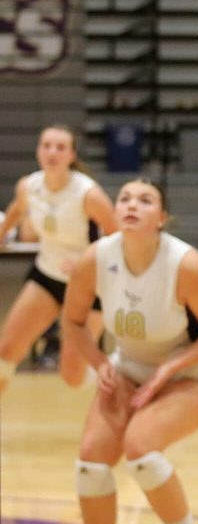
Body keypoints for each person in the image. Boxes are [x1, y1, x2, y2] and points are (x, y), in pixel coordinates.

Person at [63, 178, 198, 524]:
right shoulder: (97, 257)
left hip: (194, 374)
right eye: (124, 198)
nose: (131, 205)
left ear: (162, 218)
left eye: (144, 200)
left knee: (141, 451)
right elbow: (72, 323)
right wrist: (100, 363)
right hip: (130, 369)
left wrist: (168, 368)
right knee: (90, 464)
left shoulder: (185, 264)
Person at [0, 125, 116, 393]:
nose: (52, 152)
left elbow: (119, 240)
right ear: (38, 150)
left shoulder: (88, 194)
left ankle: (119, 379)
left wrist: (88, 265)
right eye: (46, 145)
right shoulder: (29, 186)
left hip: (88, 286)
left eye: (60, 147)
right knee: (6, 350)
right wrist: (4, 232)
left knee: (72, 376)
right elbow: (17, 210)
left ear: (71, 154)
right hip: (47, 275)